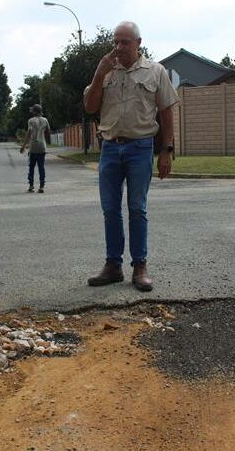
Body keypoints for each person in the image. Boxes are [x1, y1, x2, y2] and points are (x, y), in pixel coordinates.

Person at [83, 21, 179, 292]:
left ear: (138, 43)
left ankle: (140, 266)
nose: (119, 47)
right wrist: (99, 73)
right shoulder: (106, 72)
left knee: (137, 208)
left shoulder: (155, 72)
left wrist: (166, 150)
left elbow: (167, 112)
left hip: (140, 148)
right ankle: (113, 265)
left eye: (125, 42)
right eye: (116, 42)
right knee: (110, 209)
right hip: (110, 148)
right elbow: (91, 107)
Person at [19, 103, 51, 193]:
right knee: (41, 167)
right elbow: (48, 131)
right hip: (42, 147)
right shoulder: (45, 120)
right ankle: (42, 186)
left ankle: (31, 185)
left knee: (31, 167)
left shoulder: (31, 121)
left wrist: (23, 146)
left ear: (34, 112)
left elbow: (29, 133)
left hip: (33, 147)